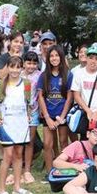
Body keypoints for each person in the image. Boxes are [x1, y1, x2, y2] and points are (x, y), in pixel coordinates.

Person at [0, 56, 34, 194]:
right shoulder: (0, 84)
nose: (15, 70)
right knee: (7, 155)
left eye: (18, 67)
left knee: (19, 154)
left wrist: (28, 116)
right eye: (12, 67)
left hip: (21, 125)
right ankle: (1, 190)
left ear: (22, 68)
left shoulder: (27, 84)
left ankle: (17, 187)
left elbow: (29, 103)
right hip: (7, 125)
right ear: (7, 67)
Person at [38, 45, 73, 174]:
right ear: (48, 58)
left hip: (62, 115)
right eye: (51, 56)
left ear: (61, 57)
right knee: (48, 144)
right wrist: (47, 117)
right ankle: (49, 172)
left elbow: (69, 98)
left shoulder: (68, 75)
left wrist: (62, 117)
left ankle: (64, 171)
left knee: (63, 142)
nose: (54, 58)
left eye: (57, 55)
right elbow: (40, 96)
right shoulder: (43, 76)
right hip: (48, 115)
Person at [71, 44, 97, 139]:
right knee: (86, 143)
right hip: (86, 115)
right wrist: (88, 111)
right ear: (86, 58)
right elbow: (76, 95)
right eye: (91, 58)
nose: (93, 61)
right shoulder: (78, 74)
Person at [21, 52, 42, 182]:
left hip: (33, 112)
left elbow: (40, 95)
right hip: (19, 113)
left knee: (30, 141)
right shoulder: (18, 74)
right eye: (29, 63)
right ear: (24, 63)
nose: (31, 66)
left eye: (34, 63)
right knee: (19, 141)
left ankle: (27, 169)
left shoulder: (39, 76)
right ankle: (18, 165)